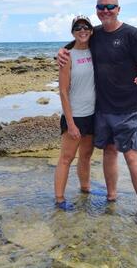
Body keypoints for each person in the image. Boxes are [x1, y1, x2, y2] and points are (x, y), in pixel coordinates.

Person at [58, 0, 137, 226]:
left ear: (119, 8)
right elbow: (77, 43)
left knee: (133, 158)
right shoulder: (96, 33)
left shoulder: (133, 34)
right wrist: (61, 51)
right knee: (109, 153)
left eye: (110, 6)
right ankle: (111, 196)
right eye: (101, 7)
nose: (106, 10)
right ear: (97, 9)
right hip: (101, 109)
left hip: (127, 109)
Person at [54, 15, 97, 211]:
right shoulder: (67, 56)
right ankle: (60, 198)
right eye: (78, 27)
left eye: (86, 27)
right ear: (73, 32)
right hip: (75, 115)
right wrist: (70, 123)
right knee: (66, 157)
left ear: (91, 30)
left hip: (93, 114)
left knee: (86, 156)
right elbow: (63, 91)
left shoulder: (97, 51)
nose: (82, 30)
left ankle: (85, 189)